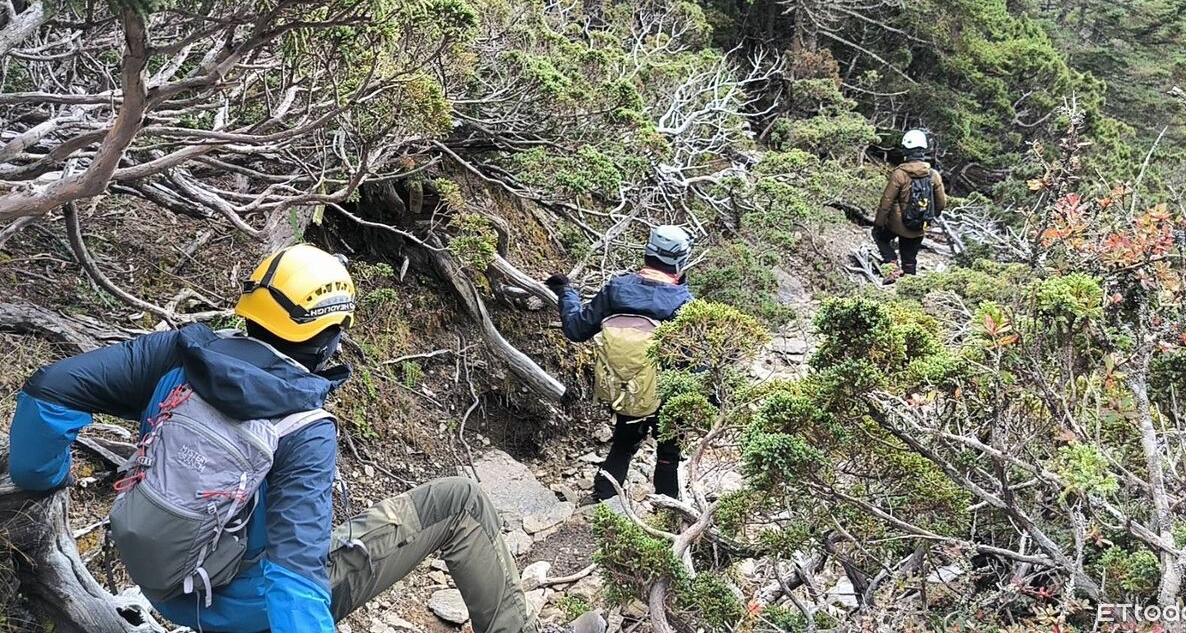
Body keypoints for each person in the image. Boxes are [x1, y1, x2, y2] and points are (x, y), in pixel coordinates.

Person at [9, 244, 603, 633]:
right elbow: (295, 583)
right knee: (460, 503)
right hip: (238, 604)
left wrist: (43, 477)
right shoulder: (305, 427)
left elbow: (48, 390)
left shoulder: (179, 353)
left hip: (161, 575)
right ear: (329, 334)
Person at [545, 225, 695, 504]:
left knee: (624, 444)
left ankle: (603, 503)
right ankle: (668, 516)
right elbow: (696, 363)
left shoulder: (617, 289)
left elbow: (576, 329)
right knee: (668, 456)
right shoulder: (683, 303)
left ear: (648, 253)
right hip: (667, 392)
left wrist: (565, 291)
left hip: (626, 387)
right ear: (680, 260)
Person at [872, 128, 947, 279]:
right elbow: (942, 203)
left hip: (897, 225)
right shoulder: (933, 175)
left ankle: (891, 266)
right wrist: (929, 217)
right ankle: (908, 287)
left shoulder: (899, 174)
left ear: (905, 150)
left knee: (880, 236)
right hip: (919, 226)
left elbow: (886, 202)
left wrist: (879, 223)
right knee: (910, 260)